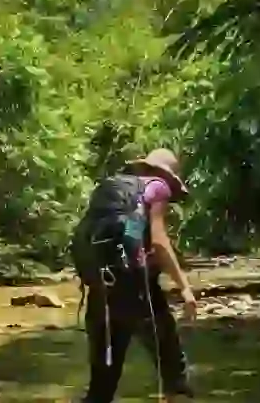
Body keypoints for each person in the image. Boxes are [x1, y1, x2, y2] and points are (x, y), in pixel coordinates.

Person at [69, 148, 198, 402]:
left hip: (100, 291)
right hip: (138, 292)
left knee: (101, 387)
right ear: (166, 176)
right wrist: (185, 288)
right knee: (173, 371)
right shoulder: (157, 187)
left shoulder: (110, 188)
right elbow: (160, 242)